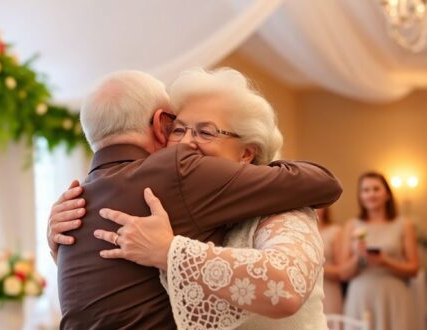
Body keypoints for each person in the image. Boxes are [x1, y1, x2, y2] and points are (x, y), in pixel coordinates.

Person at [51, 68, 342, 329]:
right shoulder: (168, 206)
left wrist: (170, 251)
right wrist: (58, 244)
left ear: (246, 152)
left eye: (205, 131)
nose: (186, 143)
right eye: (178, 130)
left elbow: (285, 288)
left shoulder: (285, 211)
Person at [339, 171, 419, 330]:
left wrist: (385, 262)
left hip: (393, 295)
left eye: (376, 189)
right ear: (360, 196)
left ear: (387, 194)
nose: (371, 194)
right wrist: (357, 257)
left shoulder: (404, 224)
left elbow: (414, 268)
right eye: (365, 190)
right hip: (361, 295)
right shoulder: (351, 225)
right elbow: (342, 273)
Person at [316, 207, 343, 315]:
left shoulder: (335, 231)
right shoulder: (298, 232)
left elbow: (341, 271)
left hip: (328, 290)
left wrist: (314, 267)